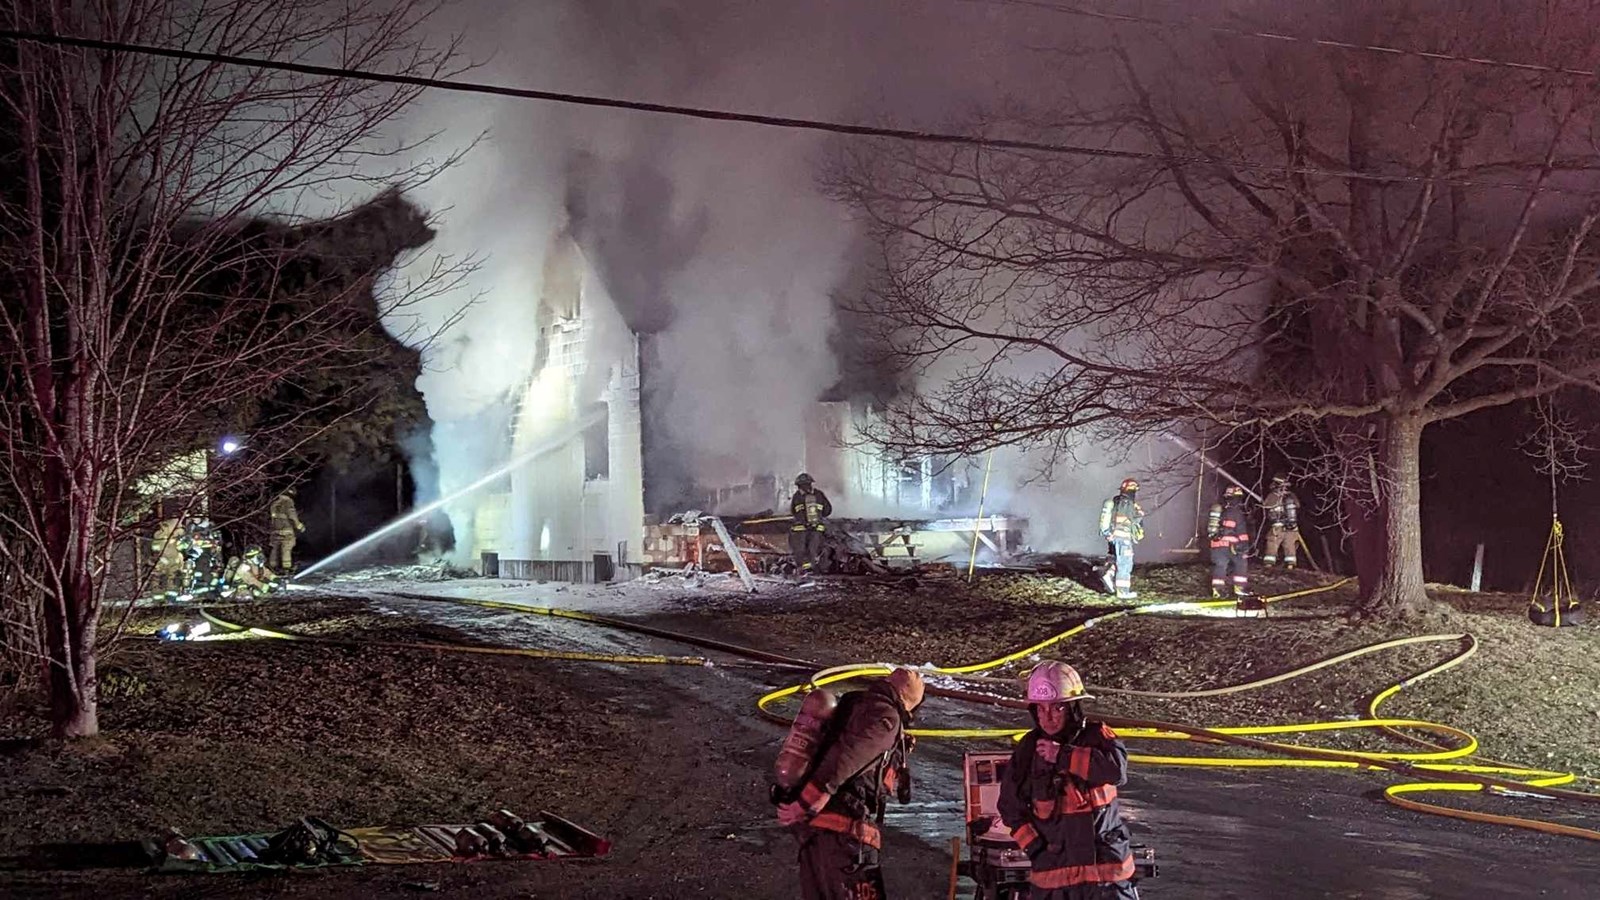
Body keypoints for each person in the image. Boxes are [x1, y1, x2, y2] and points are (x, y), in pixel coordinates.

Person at [777, 667, 925, 900]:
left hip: (817, 835)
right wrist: (811, 799)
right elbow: (845, 757)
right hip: (844, 836)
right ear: (909, 700)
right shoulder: (885, 717)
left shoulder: (857, 705)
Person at [999, 661, 1138, 899]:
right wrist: (1036, 849)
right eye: (1040, 709)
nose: (1048, 717)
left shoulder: (1098, 737)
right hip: (1055, 881)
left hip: (1106, 879)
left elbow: (1116, 772)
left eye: (1057, 708)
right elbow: (1010, 807)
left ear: (1072, 707)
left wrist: (1063, 755)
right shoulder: (1028, 750)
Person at [1098, 479, 1145, 599]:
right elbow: (1134, 520)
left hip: (1113, 537)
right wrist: (1140, 514)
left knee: (1117, 559)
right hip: (1123, 538)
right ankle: (1123, 591)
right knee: (1125, 563)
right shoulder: (1128, 503)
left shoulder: (1116, 501)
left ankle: (1109, 574)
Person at [1207, 484, 1252, 599]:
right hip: (1231, 546)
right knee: (1241, 563)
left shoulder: (1220, 510)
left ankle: (1217, 591)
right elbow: (1241, 532)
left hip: (1216, 545)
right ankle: (1240, 588)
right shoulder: (1236, 513)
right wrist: (1244, 546)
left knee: (1220, 566)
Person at [789, 473, 833, 576]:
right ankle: (813, 570)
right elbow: (828, 510)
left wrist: (803, 520)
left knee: (801, 551)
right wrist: (819, 516)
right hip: (816, 528)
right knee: (814, 550)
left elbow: (793, 512)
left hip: (801, 530)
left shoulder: (797, 496)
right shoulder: (819, 494)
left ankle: (805, 571)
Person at [1260, 475, 1302, 569]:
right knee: (1290, 546)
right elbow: (1298, 505)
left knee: (1272, 544)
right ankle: (1290, 565)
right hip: (1292, 527)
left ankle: (1269, 565)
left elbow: (1265, 505)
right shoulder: (1291, 495)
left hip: (1277, 526)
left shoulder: (1273, 495)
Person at [268, 490, 305, 574]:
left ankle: (272, 569)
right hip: (286, 530)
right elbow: (292, 516)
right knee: (286, 549)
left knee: (275, 549)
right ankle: (286, 570)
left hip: (275, 531)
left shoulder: (274, 504)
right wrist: (299, 526)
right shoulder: (288, 502)